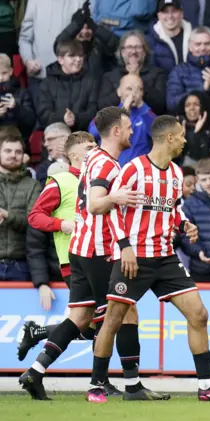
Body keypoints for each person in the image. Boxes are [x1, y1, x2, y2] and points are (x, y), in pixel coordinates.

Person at [88, 115, 210, 402]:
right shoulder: (133, 169)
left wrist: (184, 224)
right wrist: (124, 247)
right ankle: (97, 385)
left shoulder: (174, 173)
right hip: (133, 257)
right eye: (182, 135)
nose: (186, 140)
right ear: (170, 138)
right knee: (112, 319)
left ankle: (207, 386)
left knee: (199, 314)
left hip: (165, 257)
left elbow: (172, 209)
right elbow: (111, 209)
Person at [17, 107, 153, 401]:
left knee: (81, 318)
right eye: (128, 128)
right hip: (97, 250)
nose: (132, 132)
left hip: (79, 249)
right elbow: (91, 206)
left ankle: (36, 371)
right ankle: (111, 384)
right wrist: (114, 200)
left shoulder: (92, 164)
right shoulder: (100, 166)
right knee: (122, 313)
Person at [19, 132, 98, 361]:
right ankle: (100, 382)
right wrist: (61, 224)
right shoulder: (61, 181)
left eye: (96, 146)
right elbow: (34, 216)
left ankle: (38, 335)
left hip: (98, 259)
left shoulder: (98, 182)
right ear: (72, 154)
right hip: (74, 262)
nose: (95, 151)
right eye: (89, 147)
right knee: (101, 321)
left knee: (90, 325)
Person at [0, 129, 41, 281]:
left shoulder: (33, 186)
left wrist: (7, 215)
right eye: (8, 151)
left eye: (18, 151)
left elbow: (33, 223)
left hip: (21, 265)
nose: (13, 155)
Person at [89, 74, 156, 166]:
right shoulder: (107, 113)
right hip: (110, 170)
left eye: (139, 89)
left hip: (139, 172)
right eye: (129, 89)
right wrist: (123, 110)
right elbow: (93, 132)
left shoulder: (147, 113)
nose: (134, 93)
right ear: (119, 92)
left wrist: (141, 106)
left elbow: (158, 134)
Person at [99, 30, 168, 115]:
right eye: (129, 47)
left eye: (138, 47)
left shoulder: (158, 74)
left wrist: (137, 80)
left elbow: (160, 105)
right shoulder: (110, 76)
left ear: (145, 52)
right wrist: (122, 89)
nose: (133, 51)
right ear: (122, 52)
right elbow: (102, 106)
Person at [36, 39, 99, 130]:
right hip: (55, 132)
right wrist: (62, 118)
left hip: (83, 134)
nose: (78, 59)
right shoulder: (47, 83)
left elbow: (94, 110)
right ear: (60, 59)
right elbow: (43, 112)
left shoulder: (91, 80)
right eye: (72, 56)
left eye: (80, 55)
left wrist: (76, 118)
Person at [148, 0, 193, 74]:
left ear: (181, 14)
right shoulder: (150, 42)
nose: (170, 16)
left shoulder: (195, 37)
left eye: (174, 11)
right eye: (165, 12)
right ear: (158, 15)